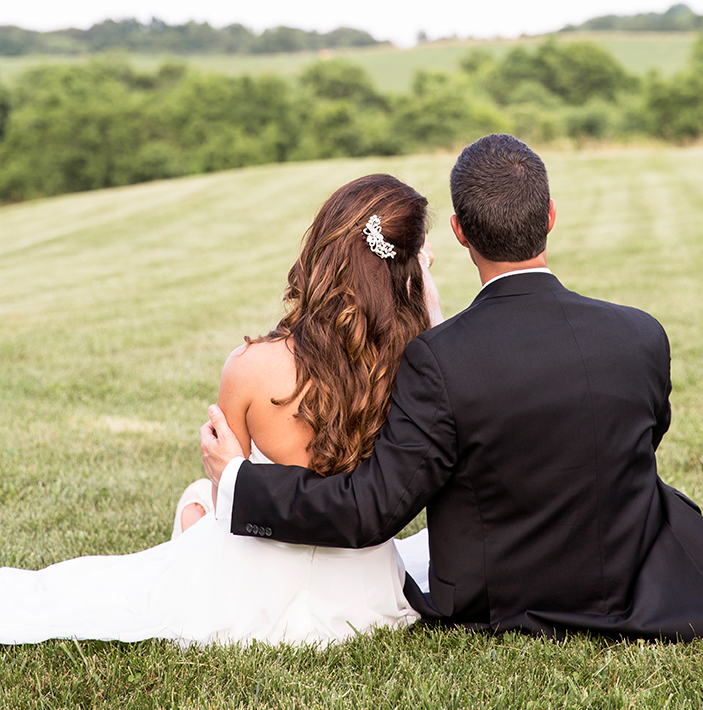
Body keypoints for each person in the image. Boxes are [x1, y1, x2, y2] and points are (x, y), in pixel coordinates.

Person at [204, 134, 703, 641]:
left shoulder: (438, 359)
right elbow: (635, 446)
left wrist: (238, 479)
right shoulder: (642, 333)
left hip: (499, 596)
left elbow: (370, 509)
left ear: (458, 233)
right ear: (550, 215)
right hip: (642, 581)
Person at [0, 174, 437, 647]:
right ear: (408, 266)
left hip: (255, 589)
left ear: (321, 249)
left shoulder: (251, 367)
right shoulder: (422, 361)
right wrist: (422, 292)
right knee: (198, 501)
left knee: (199, 499)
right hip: (364, 591)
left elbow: (228, 492)